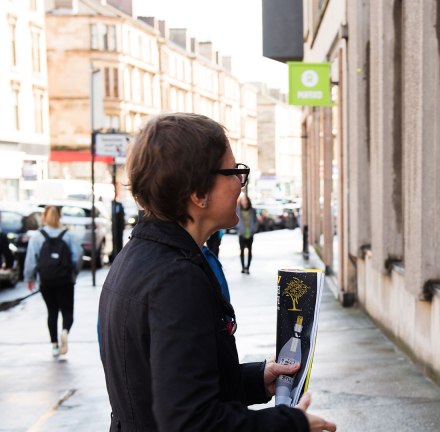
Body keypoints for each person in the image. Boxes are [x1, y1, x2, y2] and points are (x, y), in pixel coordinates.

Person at [98, 113, 336, 432]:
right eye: (234, 172)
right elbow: (192, 422)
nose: (241, 182)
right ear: (198, 194)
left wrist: (254, 380)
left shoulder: (139, 256)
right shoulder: (176, 280)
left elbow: (174, 384)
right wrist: (292, 424)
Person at [24, 205, 81, 357]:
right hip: (65, 280)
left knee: (52, 312)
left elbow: (31, 259)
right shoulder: (68, 235)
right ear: (60, 217)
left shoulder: (37, 236)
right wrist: (74, 272)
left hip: (46, 280)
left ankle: (54, 345)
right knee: (67, 311)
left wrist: (29, 278)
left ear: (44, 217)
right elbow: (77, 256)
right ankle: (65, 331)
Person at [236, 195, 258, 274]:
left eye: (246, 200)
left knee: (249, 250)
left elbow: (256, 221)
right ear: (241, 202)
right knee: (241, 251)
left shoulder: (253, 210)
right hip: (241, 233)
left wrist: (254, 229)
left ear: (248, 201)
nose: (244, 202)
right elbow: (235, 220)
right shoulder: (238, 210)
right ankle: (243, 267)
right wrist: (238, 227)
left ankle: (248, 268)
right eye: (243, 201)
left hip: (250, 233)